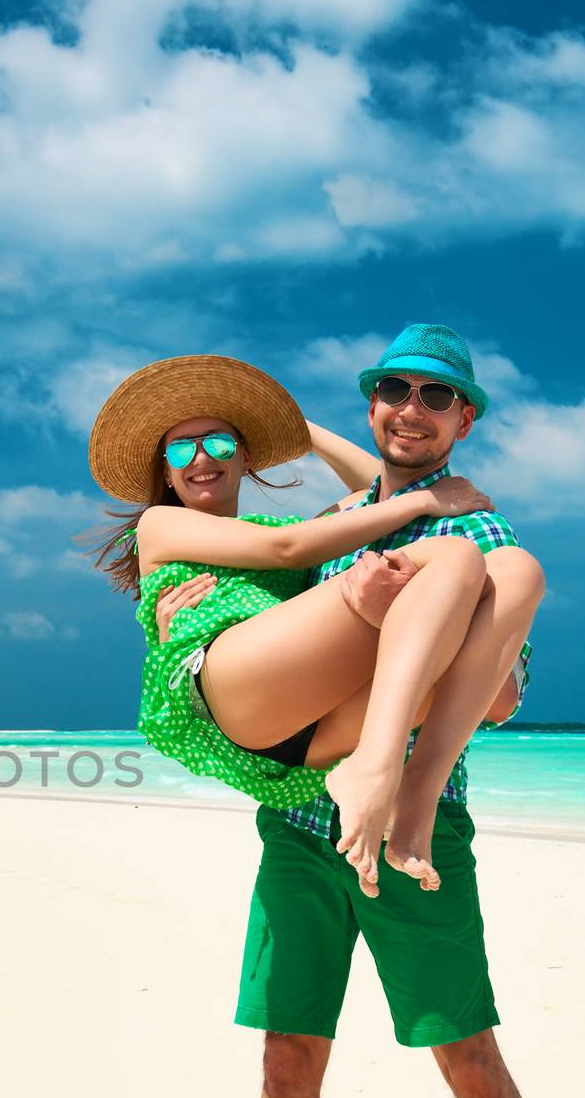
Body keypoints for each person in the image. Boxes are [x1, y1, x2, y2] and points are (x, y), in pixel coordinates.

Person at [151, 324, 585, 1098]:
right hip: (300, 823)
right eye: (390, 393)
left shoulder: (478, 524)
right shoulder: (329, 521)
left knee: (469, 1055)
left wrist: (439, 638)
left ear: (462, 421)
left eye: (432, 397)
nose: (407, 410)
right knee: (285, 1059)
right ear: (372, 408)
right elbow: (261, 610)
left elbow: (503, 694)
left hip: (424, 824)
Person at [87, 354, 530, 895]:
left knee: (514, 572)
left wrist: (303, 432)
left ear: (244, 457)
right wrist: (433, 499)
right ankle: (383, 769)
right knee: (456, 557)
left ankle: (394, 781)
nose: (202, 458)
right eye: (182, 447)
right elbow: (289, 547)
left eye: (221, 443)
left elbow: (382, 490)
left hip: (307, 736)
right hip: (233, 686)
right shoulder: (163, 524)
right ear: (165, 470)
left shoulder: (297, 526)